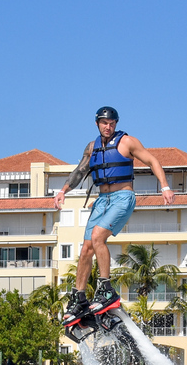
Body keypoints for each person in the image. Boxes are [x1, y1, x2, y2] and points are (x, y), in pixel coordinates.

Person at [55, 106, 175, 328]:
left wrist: (165, 186)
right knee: (86, 249)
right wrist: (63, 191)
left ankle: (106, 289)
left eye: (111, 123)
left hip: (123, 197)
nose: (108, 127)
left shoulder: (127, 142)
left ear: (116, 124)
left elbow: (152, 161)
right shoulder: (92, 148)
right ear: (97, 123)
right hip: (101, 200)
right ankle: (78, 298)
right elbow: (80, 171)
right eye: (104, 123)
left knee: (98, 236)